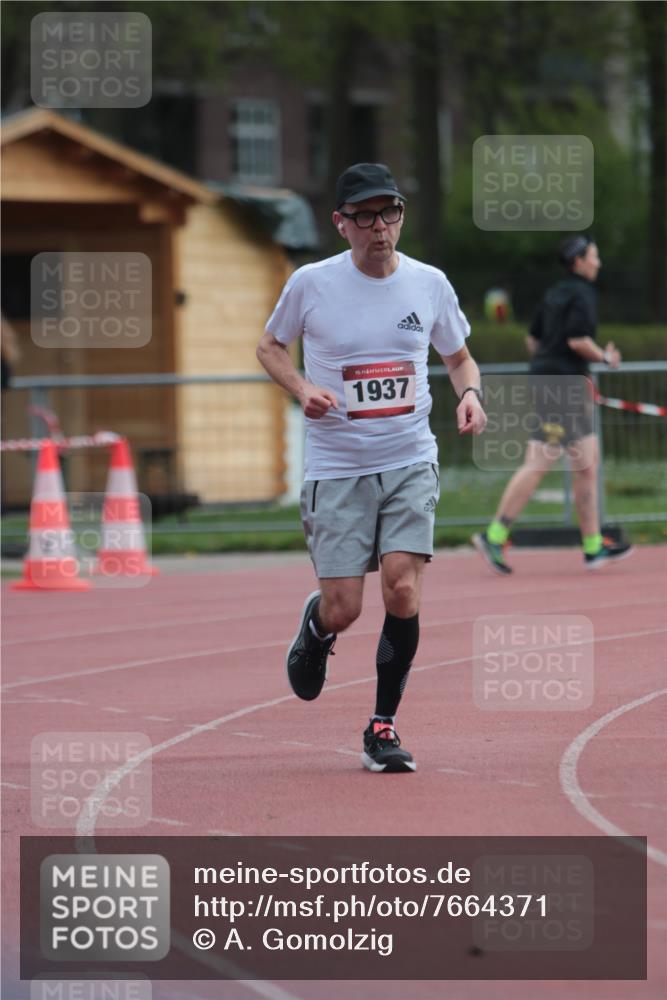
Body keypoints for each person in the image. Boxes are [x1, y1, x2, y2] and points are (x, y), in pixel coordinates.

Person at [257, 162, 486, 773]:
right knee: (346, 608)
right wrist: (302, 387)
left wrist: (470, 395)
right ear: (341, 224)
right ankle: (317, 626)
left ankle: (382, 726)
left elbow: (460, 358)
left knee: (403, 588)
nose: (380, 227)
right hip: (336, 467)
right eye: (364, 216)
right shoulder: (311, 283)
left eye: (390, 213)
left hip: (410, 458)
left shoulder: (429, 283)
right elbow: (269, 346)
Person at [473, 234, 632, 574]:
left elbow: (533, 339)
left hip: (556, 382)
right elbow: (577, 340)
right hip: (563, 387)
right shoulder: (582, 293)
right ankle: (494, 534)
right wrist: (605, 356)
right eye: (594, 256)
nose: (599, 263)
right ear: (578, 261)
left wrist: (549, 365)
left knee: (586, 464)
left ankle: (592, 546)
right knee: (541, 461)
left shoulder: (555, 293)